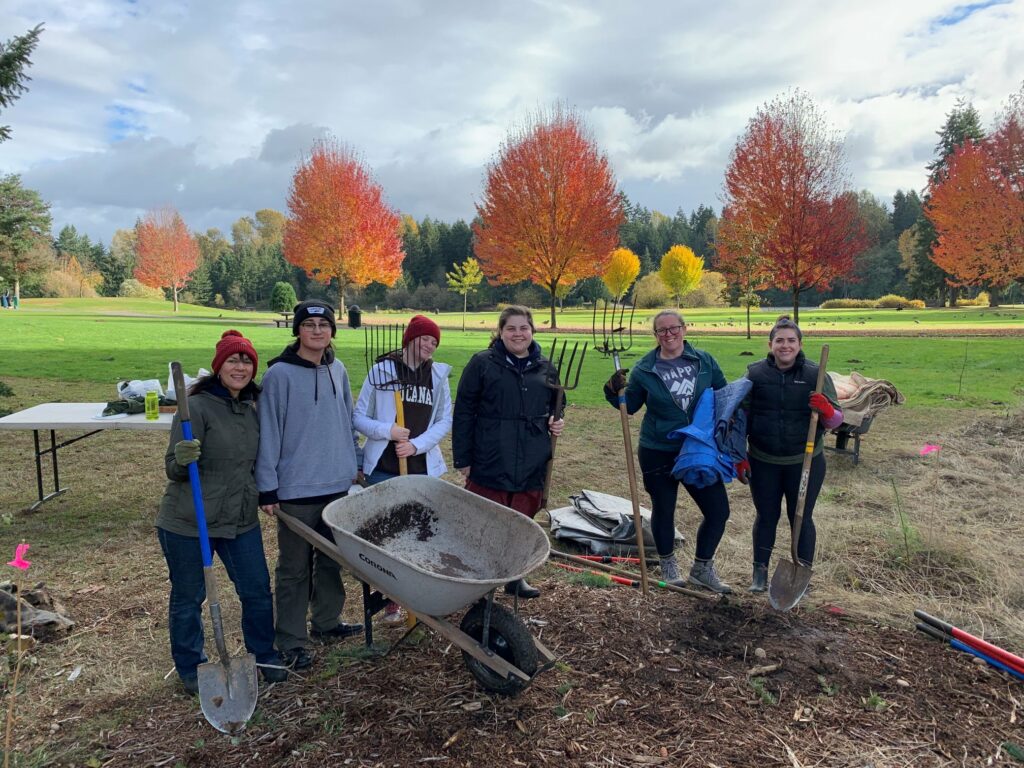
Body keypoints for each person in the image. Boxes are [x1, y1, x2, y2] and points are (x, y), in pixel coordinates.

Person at [156, 330, 287, 695]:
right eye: (233, 359)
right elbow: (172, 467)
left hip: (239, 518)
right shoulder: (195, 407)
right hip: (188, 521)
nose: (240, 367)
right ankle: (190, 666)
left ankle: (263, 654)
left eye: (246, 361)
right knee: (189, 596)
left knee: (257, 590)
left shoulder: (253, 407)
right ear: (219, 366)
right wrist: (182, 458)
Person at [256, 300, 364, 671]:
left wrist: (355, 462)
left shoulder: (339, 370)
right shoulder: (279, 376)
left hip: (337, 483)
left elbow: (347, 421)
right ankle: (290, 638)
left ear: (333, 330)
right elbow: (268, 432)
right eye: (309, 324)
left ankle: (327, 621)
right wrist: (267, 487)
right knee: (294, 568)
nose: (317, 331)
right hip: (296, 490)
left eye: (323, 324)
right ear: (297, 330)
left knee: (333, 561)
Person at [603, 310, 733, 593]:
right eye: (661, 330)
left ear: (684, 329)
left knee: (718, 510)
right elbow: (630, 406)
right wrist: (613, 391)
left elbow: (723, 397)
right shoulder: (644, 369)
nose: (668, 334)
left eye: (674, 328)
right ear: (655, 335)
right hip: (658, 449)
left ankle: (702, 568)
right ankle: (668, 565)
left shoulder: (705, 361)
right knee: (664, 508)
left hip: (696, 449)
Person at [452, 306, 564, 599]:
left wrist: (557, 419)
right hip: (492, 453)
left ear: (532, 331)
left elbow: (557, 404)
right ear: (500, 332)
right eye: (511, 328)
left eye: (523, 328)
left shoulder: (545, 366)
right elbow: (464, 411)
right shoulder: (482, 363)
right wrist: (463, 459)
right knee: (487, 520)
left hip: (531, 455)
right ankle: (482, 581)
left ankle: (516, 576)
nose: (518, 334)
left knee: (523, 519)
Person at [354, 314, 452, 621]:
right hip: (383, 466)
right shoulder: (382, 371)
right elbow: (358, 417)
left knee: (416, 532)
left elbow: (444, 419)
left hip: (420, 467)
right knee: (383, 533)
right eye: (425, 339)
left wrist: (416, 445)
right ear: (410, 339)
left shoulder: (436, 376)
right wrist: (388, 431)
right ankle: (387, 599)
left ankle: (416, 598)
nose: (430, 346)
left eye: (434, 342)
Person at [739, 315, 843, 593]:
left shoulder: (816, 375)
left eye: (791, 340)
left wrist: (827, 410)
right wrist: (739, 455)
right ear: (770, 344)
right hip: (763, 461)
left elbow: (837, 422)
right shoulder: (754, 374)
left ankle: (802, 571)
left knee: (801, 517)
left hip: (805, 463)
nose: (785, 346)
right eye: (780, 340)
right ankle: (759, 572)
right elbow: (740, 418)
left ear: (800, 343)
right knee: (766, 516)